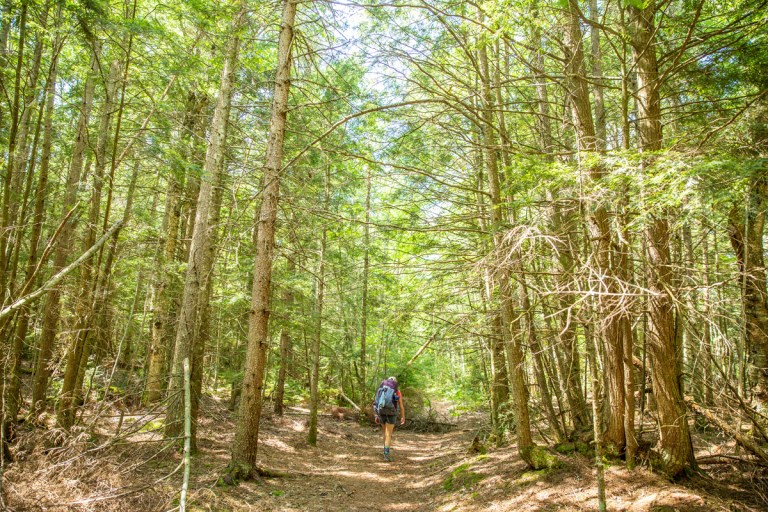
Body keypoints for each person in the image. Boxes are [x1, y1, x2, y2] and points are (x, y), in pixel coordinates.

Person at [373, 376, 405, 462]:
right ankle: (386, 454)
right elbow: (401, 406)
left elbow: (376, 402)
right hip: (391, 413)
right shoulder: (397, 391)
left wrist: (376, 415)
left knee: (385, 433)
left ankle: (385, 451)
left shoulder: (381, 389)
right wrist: (403, 416)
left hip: (381, 412)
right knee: (389, 434)